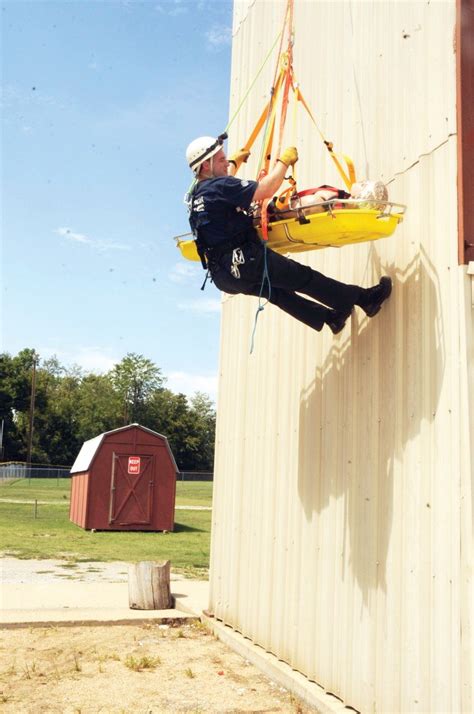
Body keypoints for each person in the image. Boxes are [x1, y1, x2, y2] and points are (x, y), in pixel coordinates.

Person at [185, 135, 392, 334]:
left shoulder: (195, 195)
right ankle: (365, 299)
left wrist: (232, 161)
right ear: (205, 165)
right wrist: (283, 162)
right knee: (303, 277)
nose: (225, 163)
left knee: (278, 293)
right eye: (221, 160)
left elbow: (222, 187)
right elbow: (265, 190)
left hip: (223, 275)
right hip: (245, 260)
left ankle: (331, 318)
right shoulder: (220, 186)